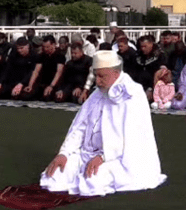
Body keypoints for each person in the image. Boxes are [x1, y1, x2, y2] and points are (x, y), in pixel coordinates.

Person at [41, 50, 167, 196]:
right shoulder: (97, 94)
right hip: (86, 153)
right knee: (54, 175)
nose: (97, 81)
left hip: (118, 159)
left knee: (92, 182)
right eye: (96, 76)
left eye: (102, 76)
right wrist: (64, 153)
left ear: (116, 73)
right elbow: (79, 127)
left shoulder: (133, 94)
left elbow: (133, 137)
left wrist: (104, 157)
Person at [23, 35, 66, 101]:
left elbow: (59, 72)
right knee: (26, 95)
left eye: (47, 47)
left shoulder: (60, 56)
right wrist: (30, 85)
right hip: (43, 83)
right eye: (44, 47)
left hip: (54, 83)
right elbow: (36, 71)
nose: (45, 49)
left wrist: (51, 86)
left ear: (53, 45)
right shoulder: (41, 56)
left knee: (47, 97)